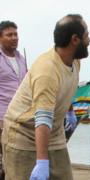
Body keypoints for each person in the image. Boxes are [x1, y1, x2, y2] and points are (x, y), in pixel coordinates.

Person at [1, 14, 90, 180]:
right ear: (75, 39)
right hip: (24, 133)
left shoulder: (75, 61)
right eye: (87, 36)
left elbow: (67, 87)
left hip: (54, 134)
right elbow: (42, 118)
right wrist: (41, 162)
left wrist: (70, 111)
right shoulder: (47, 70)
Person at [0, 20, 28, 180]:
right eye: (9, 35)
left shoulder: (21, 58)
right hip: (2, 117)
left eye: (15, 34)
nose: (14, 37)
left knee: (14, 159)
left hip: (20, 116)